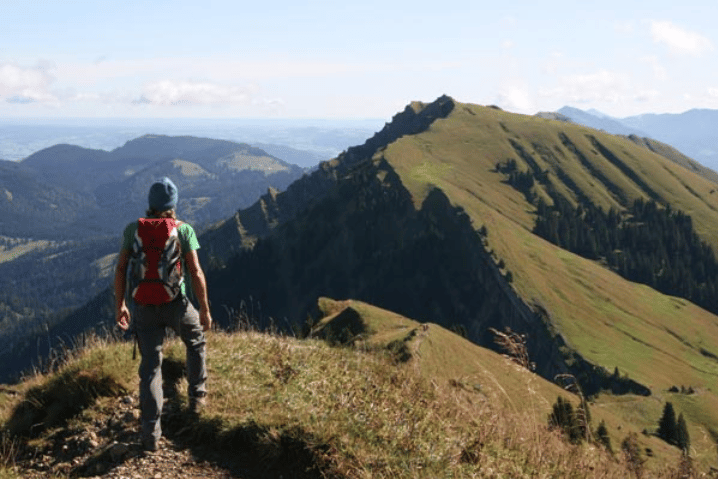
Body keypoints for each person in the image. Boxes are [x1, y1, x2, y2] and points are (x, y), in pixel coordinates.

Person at [114, 177, 213, 452]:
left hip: (143, 307)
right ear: (174, 204)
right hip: (176, 304)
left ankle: (150, 435)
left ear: (150, 203)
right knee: (195, 341)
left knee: (151, 368)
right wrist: (204, 309)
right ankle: (197, 400)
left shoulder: (133, 229)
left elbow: (121, 269)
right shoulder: (184, 231)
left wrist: (120, 305)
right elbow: (195, 272)